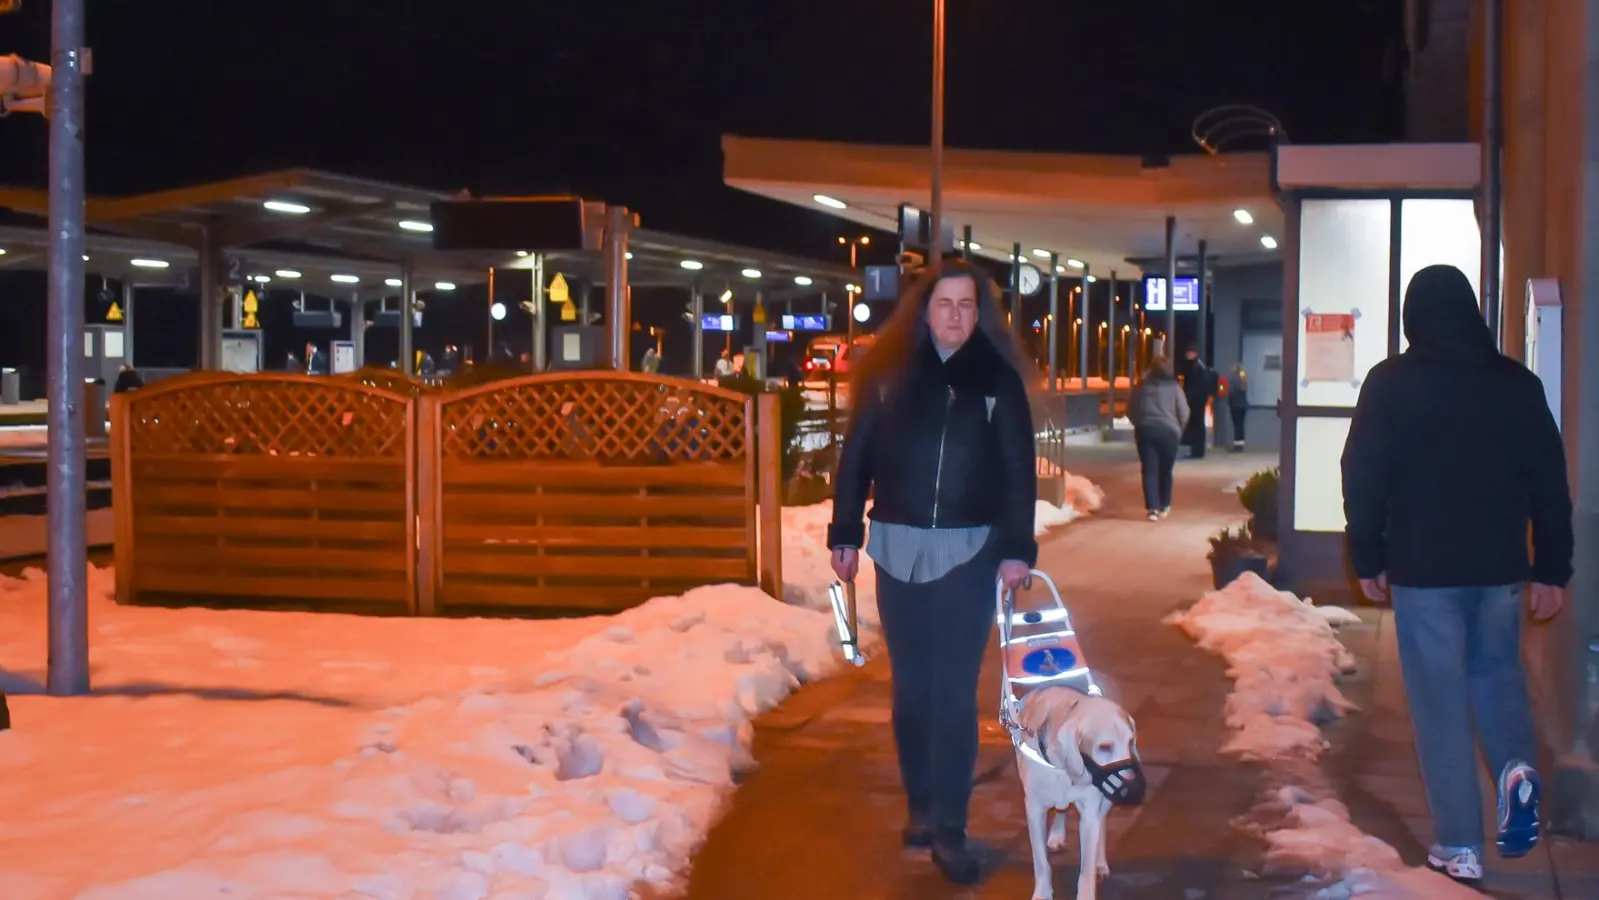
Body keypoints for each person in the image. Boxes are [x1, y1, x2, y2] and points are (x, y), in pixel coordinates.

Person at [1341, 264, 1572, 887]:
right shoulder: (1515, 384)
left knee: (1438, 704)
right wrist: (1553, 566)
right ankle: (1516, 771)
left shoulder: (1391, 384)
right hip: (1499, 570)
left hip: (1424, 570)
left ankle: (1460, 844)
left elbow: (1361, 473)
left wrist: (1367, 557)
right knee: (1497, 677)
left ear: (1414, 316)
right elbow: (1550, 482)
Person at [828, 258, 1037, 884]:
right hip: (895, 547)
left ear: (981, 313)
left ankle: (950, 824)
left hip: (970, 551)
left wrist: (1017, 548)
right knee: (912, 690)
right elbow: (856, 455)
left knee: (951, 692)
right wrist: (844, 532)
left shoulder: (997, 380)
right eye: (944, 303)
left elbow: (1018, 471)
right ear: (924, 310)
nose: (954, 315)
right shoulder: (889, 377)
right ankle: (920, 805)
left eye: (966, 305)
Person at [1127, 355, 1189, 521]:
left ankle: (1152, 508)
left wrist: (1139, 423)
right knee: (1166, 470)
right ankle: (1165, 504)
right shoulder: (1175, 388)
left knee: (1149, 470)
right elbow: (1184, 412)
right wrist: (1178, 430)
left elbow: (1130, 409)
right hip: (1169, 433)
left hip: (1146, 431)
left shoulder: (1141, 387)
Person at [1177, 345, 1213, 458]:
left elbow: (1195, 385)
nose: (1187, 355)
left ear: (1194, 353)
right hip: (1197, 400)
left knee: (1197, 425)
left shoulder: (1197, 367)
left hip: (1196, 401)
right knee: (1197, 425)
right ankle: (1196, 450)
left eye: (1189, 353)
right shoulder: (1197, 366)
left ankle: (1197, 451)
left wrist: (1189, 398)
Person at [1224, 363, 1249, 452]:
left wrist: (1229, 401)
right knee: (1240, 425)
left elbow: (1230, 391)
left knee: (1237, 425)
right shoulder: (1243, 378)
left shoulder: (1233, 379)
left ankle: (1237, 446)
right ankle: (1240, 444)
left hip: (1235, 405)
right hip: (1243, 405)